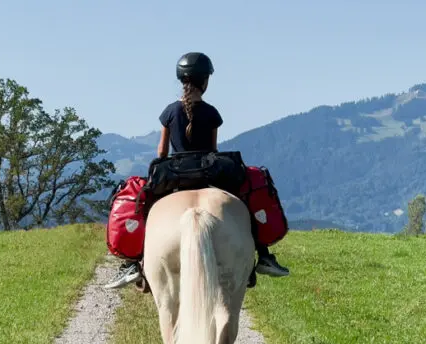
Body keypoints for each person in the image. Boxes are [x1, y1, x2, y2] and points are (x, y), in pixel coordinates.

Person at [104, 52, 288, 289]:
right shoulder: (212, 113)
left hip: (175, 176)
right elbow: (212, 150)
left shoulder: (169, 111)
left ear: (182, 81)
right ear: (205, 82)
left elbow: (161, 153)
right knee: (245, 199)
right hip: (208, 173)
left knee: (145, 206)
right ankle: (263, 254)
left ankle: (133, 262)